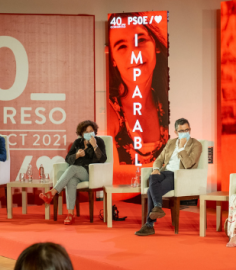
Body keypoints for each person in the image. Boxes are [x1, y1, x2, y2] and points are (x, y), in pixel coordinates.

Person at [107, 12, 169, 165]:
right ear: (112, 59)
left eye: (140, 40)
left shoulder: (167, 102)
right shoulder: (109, 112)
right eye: (121, 46)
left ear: (156, 46)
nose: (134, 53)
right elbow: (110, 178)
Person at [135, 118, 202, 236]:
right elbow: (160, 159)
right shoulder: (171, 143)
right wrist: (156, 169)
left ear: (190, 129)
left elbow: (188, 164)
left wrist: (181, 148)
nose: (185, 132)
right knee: (152, 177)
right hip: (165, 172)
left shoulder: (196, 144)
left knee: (151, 189)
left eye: (187, 129)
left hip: (179, 176)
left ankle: (150, 224)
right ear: (176, 132)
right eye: (181, 131)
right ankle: (157, 207)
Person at [39, 120, 107, 225]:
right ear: (82, 133)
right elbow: (68, 159)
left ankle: (52, 193)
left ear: (94, 131)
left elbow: (102, 159)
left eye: (91, 131)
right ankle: (70, 214)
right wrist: (77, 155)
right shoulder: (78, 142)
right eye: (86, 132)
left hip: (90, 173)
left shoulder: (99, 142)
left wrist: (94, 146)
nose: (89, 134)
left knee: (73, 168)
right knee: (71, 181)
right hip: (76, 174)